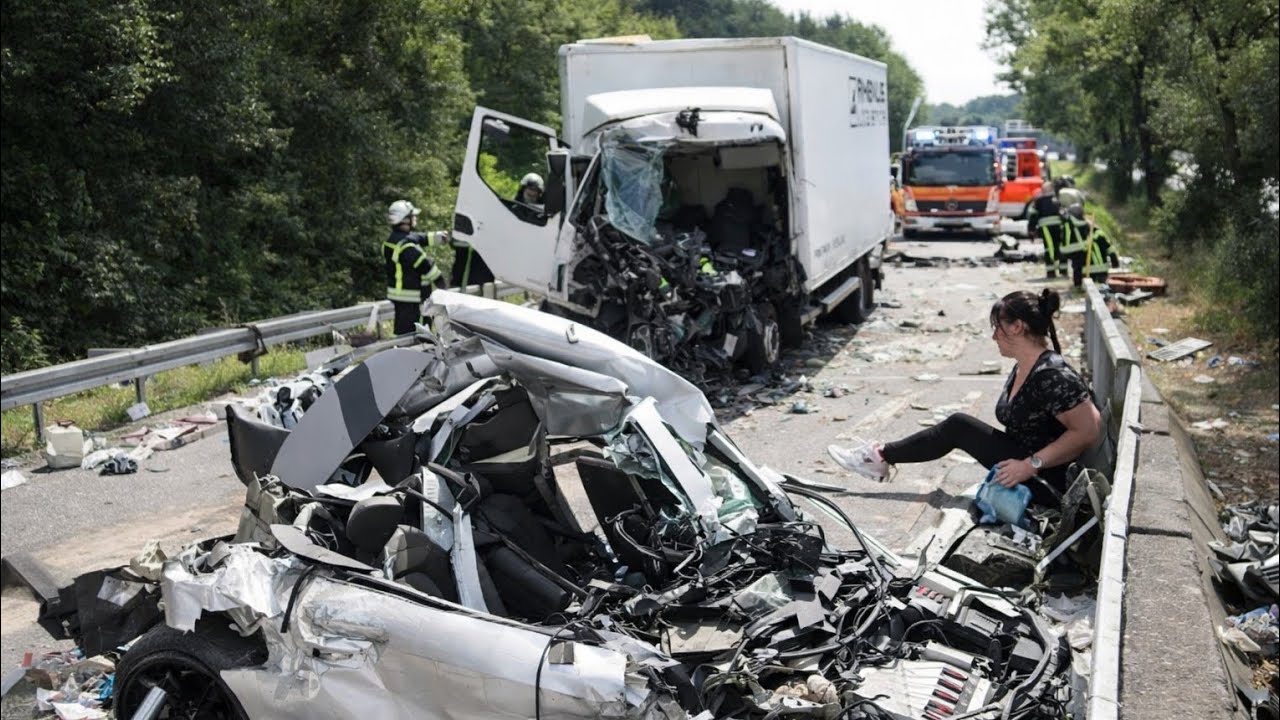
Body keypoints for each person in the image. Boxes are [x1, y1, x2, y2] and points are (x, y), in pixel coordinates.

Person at [827, 289, 1102, 507]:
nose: (994, 335)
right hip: (1024, 465)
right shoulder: (1026, 366)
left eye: (997, 327)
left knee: (959, 426)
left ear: (1017, 327)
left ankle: (879, 457)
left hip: (1047, 481)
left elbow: (1089, 430)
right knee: (960, 426)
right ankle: (880, 457)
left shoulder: (1052, 374)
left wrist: (1029, 466)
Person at [383, 200, 443, 335]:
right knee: (418, 337)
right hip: (415, 301)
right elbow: (427, 267)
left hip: (400, 298)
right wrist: (443, 286)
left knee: (402, 334)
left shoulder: (391, 241)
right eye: (412, 216)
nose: (415, 219)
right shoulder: (408, 247)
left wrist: (442, 237)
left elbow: (418, 237)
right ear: (404, 219)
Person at [1026, 183, 1065, 278]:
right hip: (1058, 227)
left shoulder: (1038, 201)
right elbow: (1063, 214)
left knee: (1048, 249)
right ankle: (1063, 271)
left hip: (1045, 228)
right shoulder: (1057, 200)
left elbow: (1033, 216)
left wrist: (1031, 230)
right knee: (1060, 248)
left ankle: (1051, 273)